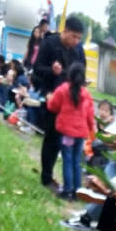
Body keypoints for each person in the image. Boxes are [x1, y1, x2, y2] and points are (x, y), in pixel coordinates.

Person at [32, 15, 85, 189]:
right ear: (66, 31)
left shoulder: (78, 51)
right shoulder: (49, 44)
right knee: (52, 138)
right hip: (52, 96)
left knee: (67, 144)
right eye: (74, 37)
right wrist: (51, 72)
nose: (76, 41)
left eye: (79, 38)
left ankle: (69, 183)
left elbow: (81, 72)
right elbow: (37, 70)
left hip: (70, 101)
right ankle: (46, 176)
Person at [46, 62, 94, 200]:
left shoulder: (63, 90)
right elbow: (90, 115)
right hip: (81, 133)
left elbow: (53, 107)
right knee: (76, 161)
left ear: (69, 75)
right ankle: (77, 191)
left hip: (67, 132)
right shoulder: (86, 94)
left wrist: (49, 99)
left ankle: (67, 190)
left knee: (67, 160)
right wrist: (91, 129)